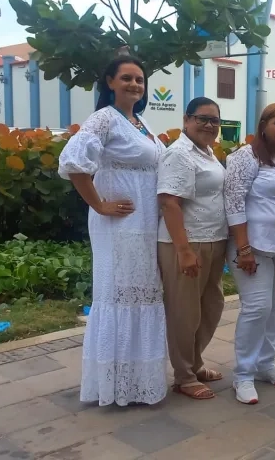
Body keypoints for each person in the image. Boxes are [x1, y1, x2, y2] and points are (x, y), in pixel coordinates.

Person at [57, 56, 167, 407]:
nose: (135, 84)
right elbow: (74, 163)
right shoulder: (103, 118)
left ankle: (137, 382)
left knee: (143, 296)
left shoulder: (140, 123)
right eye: (127, 78)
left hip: (146, 226)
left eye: (140, 79)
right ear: (109, 82)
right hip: (119, 227)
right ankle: (115, 385)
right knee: (119, 297)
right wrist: (99, 204)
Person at [224, 103, 275, 404]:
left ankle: (265, 364)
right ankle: (243, 374)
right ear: (263, 126)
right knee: (256, 307)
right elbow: (233, 202)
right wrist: (243, 248)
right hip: (254, 247)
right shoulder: (245, 157)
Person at [157, 97, 228, 401]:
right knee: (185, 312)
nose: (209, 125)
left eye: (214, 120)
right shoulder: (179, 154)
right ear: (186, 120)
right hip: (187, 242)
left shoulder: (207, 152)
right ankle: (184, 376)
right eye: (202, 118)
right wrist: (184, 250)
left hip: (213, 239)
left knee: (211, 306)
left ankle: (195, 362)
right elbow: (169, 202)